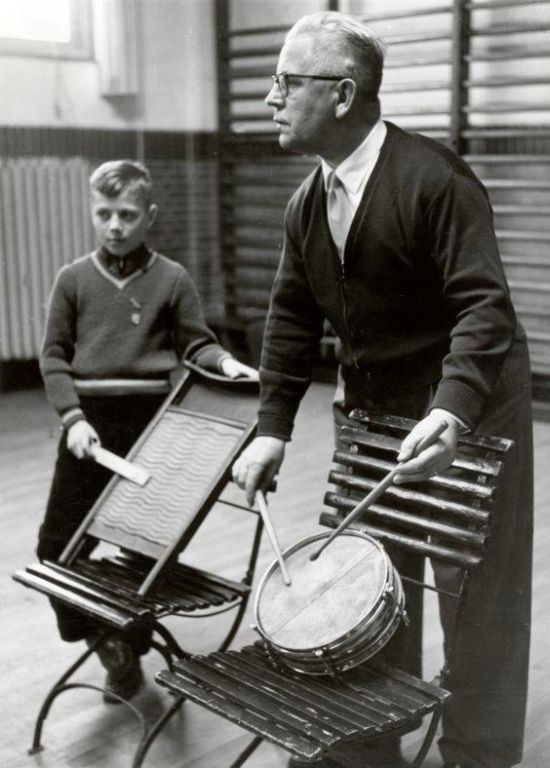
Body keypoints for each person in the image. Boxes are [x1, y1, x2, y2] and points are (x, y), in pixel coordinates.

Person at [232, 12, 533, 768]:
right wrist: (272, 426)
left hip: (466, 418)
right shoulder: (311, 199)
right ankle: (366, 744)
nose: (270, 98)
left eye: (284, 83)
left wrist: (451, 410)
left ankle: (478, 754)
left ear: (340, 94)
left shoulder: (435, 179)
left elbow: (484, 307)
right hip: (373, 417)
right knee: (366, 578)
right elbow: (291, 316)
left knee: (477, 603)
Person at [38, 159, 257, 703]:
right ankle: (108, 638)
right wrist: (73, 419)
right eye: (104, 213)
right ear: (93, 212)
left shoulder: (172, 278)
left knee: (143, 552)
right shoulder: (73, 279)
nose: (115, 225)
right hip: (88, 430)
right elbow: (53, 358)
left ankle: (128, 636)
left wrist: (226, 363)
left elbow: (196, 344)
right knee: (54, 549)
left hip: (155, 427)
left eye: (128, 214)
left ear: (149, 216)